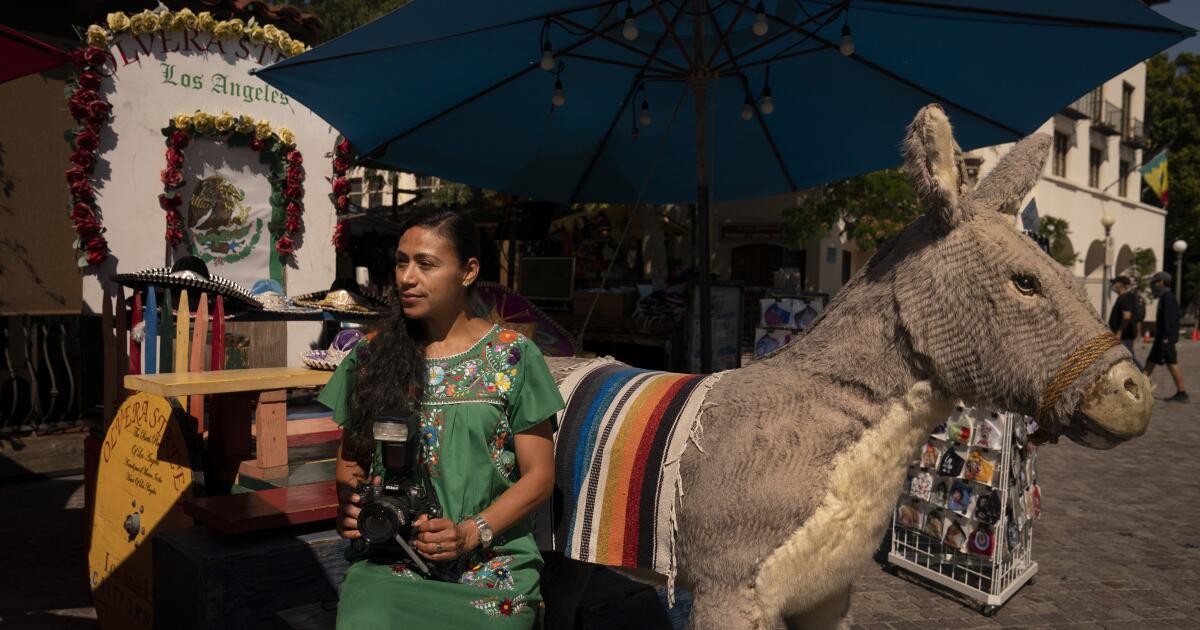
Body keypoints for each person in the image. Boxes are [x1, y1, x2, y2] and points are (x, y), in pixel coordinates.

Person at [318, 208, 566, 628]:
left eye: (426, 264)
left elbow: (539, 476)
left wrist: (471, 532)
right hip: (390, 563)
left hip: (491, 564)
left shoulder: (513, 357)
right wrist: (353, 502)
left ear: (468, 271)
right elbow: (351, 462)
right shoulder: (370, 356)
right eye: (401, 262)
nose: (406, 278)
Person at [1144, 271, 1188, 402]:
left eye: (1155, 283)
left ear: (1161, 282)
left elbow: (1171, 318)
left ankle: (1182, 393)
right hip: (1162, 337)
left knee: (1171, 363)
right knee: (1150, 362)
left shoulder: (1168, 297)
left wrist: (1168, 337)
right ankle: (1140, 388)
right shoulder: (1164, 297)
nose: (1153, 286)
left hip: (1165, 338)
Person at [1108, 275, 1142, 368]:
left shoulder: (1126, 298)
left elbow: (1127, 316)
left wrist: (1119, 333)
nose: (1113, 285)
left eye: (1114, 283)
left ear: (1120, 285)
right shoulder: (1123, 297)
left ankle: (1143, 378)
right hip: (1124, 335)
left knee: (1129, 359)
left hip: (1125, 335)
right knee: (1126, 359)